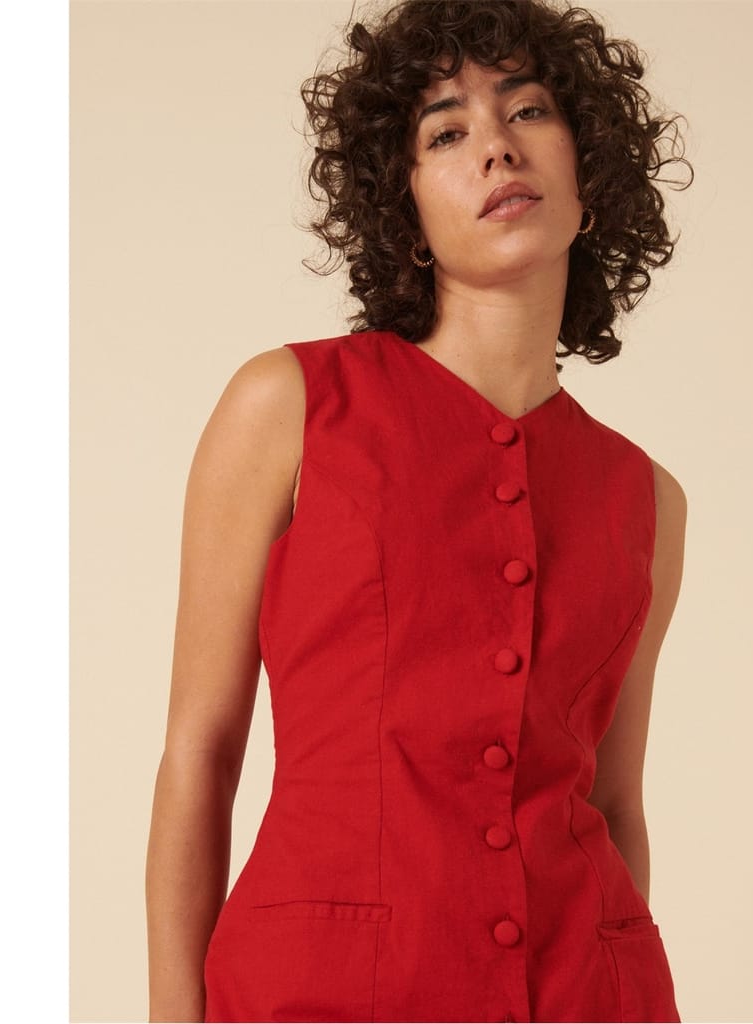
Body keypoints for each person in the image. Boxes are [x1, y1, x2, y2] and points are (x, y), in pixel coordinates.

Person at [145, 0, 694, 1020]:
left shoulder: (644, 497)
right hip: (318, 994)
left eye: (528, 110)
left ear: (590, 173)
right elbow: (199, 752)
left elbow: (614, 802)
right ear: (404, 212)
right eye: (445, 132)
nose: (496, 146)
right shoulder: (290, 407)